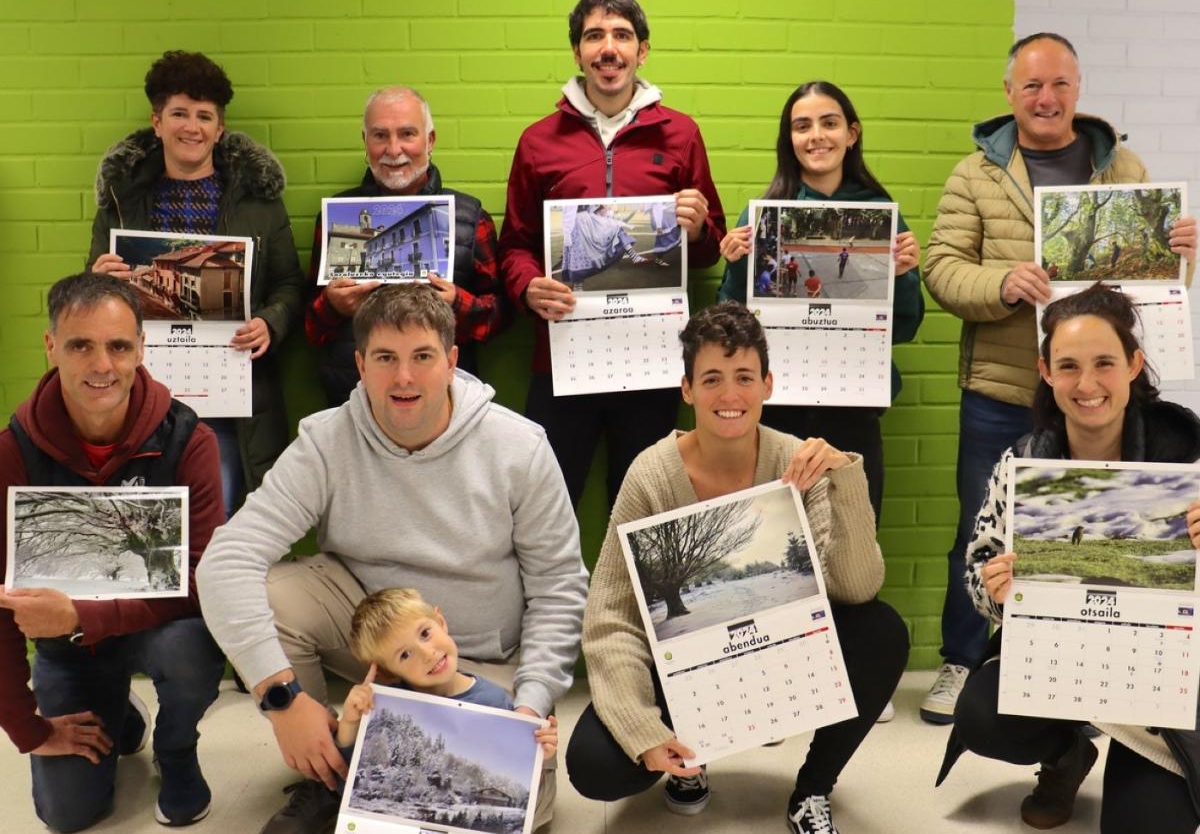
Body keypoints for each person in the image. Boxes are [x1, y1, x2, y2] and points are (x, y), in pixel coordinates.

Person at [195, 285, 587, 834]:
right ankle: (329, 768)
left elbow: (560, 587)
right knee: (267, 589)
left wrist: (530, 703)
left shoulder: (519, 447)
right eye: (385, 359)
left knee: (507, 812)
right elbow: (224, 561)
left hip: (478, 663)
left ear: (451, 361)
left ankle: (373, 762)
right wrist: (280, 698)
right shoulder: (326, 441)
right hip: (373, 644)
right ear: (360, 365)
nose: (403, 378)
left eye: (422, 357)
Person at [921, 32, 1198, 723]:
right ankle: (963, 660)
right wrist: (1001, 282)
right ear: (1009, 94)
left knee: (1104, 532)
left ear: (1078, 90)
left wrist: (1181, 258)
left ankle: (1102, 664)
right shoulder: (973, 175)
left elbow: (1145, 291)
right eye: (1032, 86)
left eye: (1060, 85)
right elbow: (941, 268)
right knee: (982, 535)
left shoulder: (1123, 167)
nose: (1046, 98)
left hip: (1094, 396)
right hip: (1004, 386)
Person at [565, 302, 908, 834]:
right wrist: (643, 730)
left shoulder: (798, 461)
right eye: (712, 379)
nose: (729, 395)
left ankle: (813, 790)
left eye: (744, 377)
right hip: (683, 672)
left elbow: (856, 587)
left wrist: (844, 481)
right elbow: (610, 616)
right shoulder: (651, 473)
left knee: (882, 629)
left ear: (767, 384)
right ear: (687, 389)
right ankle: (687, 762)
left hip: (780, 658)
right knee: (594, 766)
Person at [937, 283, 1200, 833]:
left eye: (1104, 363)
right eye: (1068, 366)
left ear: (1134, 365)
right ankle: (1067, 756)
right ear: (1046, 371)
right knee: (983, 716)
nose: (1087, 384)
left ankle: (1139, 755)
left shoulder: (1188, 453)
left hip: (1161, 676)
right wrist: (996, 587)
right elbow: (977, 566)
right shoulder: (1023, 461)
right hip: (1060, 651)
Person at [0, 273, 226, 830]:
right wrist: (29, 730)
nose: (102, 365)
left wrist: (82, 614)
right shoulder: (13, 453)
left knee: (191, 647)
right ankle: (118, 712)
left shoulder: (189, 441)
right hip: (69, 652)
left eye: (119, 346)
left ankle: (175, 750)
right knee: (66, 816)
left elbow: (201, 581)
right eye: (81, 345)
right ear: (51, 346)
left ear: (141, 349)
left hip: (153, 631)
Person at [499, 0, 726, 508]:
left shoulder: (681, 133)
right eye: (594, 36)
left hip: (651, 360)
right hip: (563, 357)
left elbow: (711, 248)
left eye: (621, 35)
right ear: (577, 52)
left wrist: (696, 229)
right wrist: (526, 285)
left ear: (641, 51)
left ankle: (639, 595)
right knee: (543, 506)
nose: (609, 48)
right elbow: (515, 244)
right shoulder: (538, 141)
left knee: (647, 510)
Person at [87, 50, 305, 519]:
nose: (192, 127)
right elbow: (90, 306)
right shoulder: (121, 204)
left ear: (219, 127)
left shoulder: (260, 202)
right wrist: (97, 284)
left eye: (204, 116)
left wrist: (271, 322)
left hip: (229, 397)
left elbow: (289, 285)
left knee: (219, 519)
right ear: (157, 121)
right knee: (147, 522)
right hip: (141, 395)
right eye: (180, 113)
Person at [717, 81, 925, 525]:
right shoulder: (763, 214)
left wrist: (905, 277)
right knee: (780, 540)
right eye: (802, 125)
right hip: (778, 410)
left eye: (829, 123)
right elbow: (730, 329)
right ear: (788, 140)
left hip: (854, 406)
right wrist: (736, 266)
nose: (816, 136)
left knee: (854, 546)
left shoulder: (880, 213)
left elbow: (905, 328)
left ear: (852, 133)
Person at [304, 86, 508, 407]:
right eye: (380, 135)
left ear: (430, 141)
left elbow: (500, 316)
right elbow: (309, 329)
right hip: (354, 397)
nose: (393, 149)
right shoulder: (336, 217)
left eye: (407, 134)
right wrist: (332, 306)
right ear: (365, 142)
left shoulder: (470, 217)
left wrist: (455, 303)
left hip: (443, 400)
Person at [336, 588, 558, 767]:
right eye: (405, 654)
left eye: (425, 633)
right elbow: (350, 778)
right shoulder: (386, 708)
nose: (427, 654)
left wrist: (539, 750)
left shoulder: (494, 701)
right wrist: (349, 722)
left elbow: (514, 766)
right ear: (388, 673)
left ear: (440, 622)